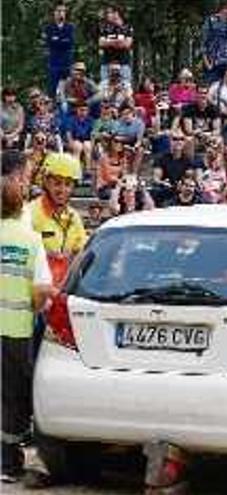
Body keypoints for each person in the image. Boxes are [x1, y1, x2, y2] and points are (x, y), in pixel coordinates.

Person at [0, 150, 54, 484]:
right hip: (18, 328)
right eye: (25, 175)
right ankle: (8, 461)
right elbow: (40, 291)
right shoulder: (31, 237)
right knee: (16, 394)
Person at [25, 152, 87, 289]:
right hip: (37, 295)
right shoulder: (30, 213)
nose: (63, 189)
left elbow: (81, 252)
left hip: (62, 296)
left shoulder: (73, 217)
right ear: (46, 182)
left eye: (68, 184)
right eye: (57, 183)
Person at [43, 3, 75, 96]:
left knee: (69, 90)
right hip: (54, 63)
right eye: (59, 11)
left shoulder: (70, 27)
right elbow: (49, 43)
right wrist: (62, 40)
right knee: (52, 90)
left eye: (63, 11)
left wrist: (57, 40)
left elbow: (69, 43)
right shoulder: (49, 28)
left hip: (67, 62)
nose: (61, 13)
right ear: (54, 13)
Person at [98, 5, 134, 84]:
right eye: (107, 13)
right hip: (106, 62)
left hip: (123, 63)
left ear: (116, 13)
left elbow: (127, 44)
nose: (107, 15)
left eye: (109, 13)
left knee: (125, 86)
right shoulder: (104, 27)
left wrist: (109, 42)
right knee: (105, 87)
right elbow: (101, 43)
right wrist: (118, 42)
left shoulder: (128, 27)